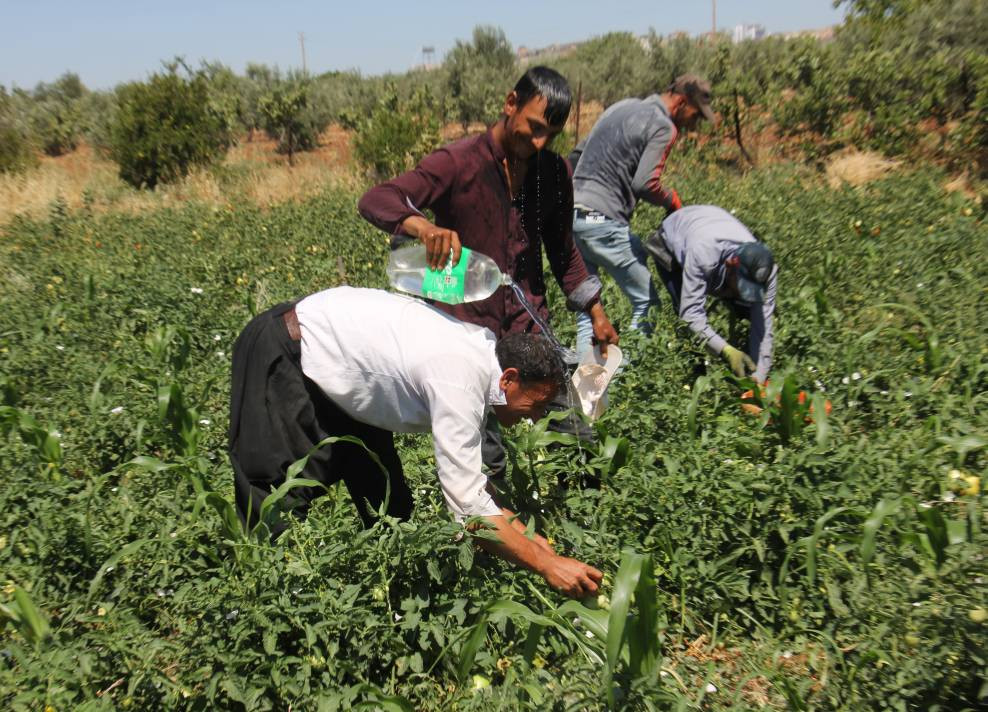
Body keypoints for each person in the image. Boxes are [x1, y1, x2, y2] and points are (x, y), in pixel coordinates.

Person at [228, 286, 604, 599]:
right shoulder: (459, 378)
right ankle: (274, 607)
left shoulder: (481, 356)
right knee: (276, 499)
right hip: (288, 349)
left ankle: (386, 597)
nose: (534, 417)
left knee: (387, 503)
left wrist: (534, 544)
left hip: (345, 368)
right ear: (508, 379)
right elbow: (471, 512)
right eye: (535, 405)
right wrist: (546, 565)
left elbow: (473, 489)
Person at [358, 65, 618, 479]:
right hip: (464, 334)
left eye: (550, 134)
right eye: (533, 128)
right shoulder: (457, 163)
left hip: (528, 331)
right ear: (510, 103)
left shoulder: (553, 174)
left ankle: (585, 528)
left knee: (576, 438)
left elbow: (563, 251)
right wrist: (423, 226)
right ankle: (494, 536)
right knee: (485, 462)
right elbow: (378, 198)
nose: (538, 142)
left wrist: (596, 311)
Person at [567, 74, 718, 355]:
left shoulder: (620, 107)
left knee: (589, 304)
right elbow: (645, 183)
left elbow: (574, 157)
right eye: (695, 116)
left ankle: (584, 389)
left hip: (573, 216)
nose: (694, 124)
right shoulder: (663, 126)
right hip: (602, 219)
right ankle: (626, 380)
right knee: (647, 303)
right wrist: (672, 200)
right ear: (681, 103)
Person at [644, 204, 777, 383]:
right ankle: (695, 375)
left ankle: (745, 368)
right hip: (673, 241)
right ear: (731, 265)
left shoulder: (767, 271)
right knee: (686, 317)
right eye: (743, 287)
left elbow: (764, 325)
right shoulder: (703, 254)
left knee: (750, 310)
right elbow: (691, 315)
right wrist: (726, 350)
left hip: (711, 226)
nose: (746, 293)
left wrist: (759, 379)